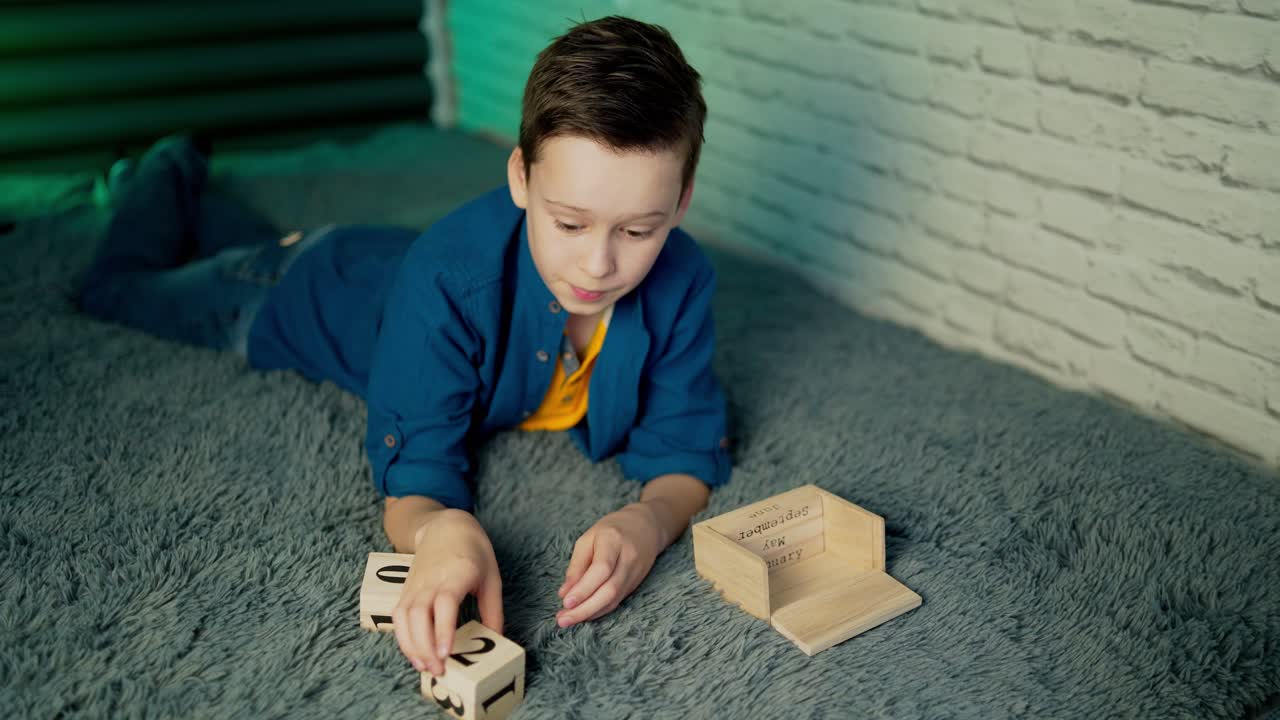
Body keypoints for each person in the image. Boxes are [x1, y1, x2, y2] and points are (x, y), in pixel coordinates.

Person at [77, 15, 730, 677]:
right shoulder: (446, 282)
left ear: (680, 204)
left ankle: (190, 190)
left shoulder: (683, 279)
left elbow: (686, 449)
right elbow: (415, 475)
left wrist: (650, 521)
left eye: (638, 231)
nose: (598, 265)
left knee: (244, 241)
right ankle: (161, 167)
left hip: (377, 259)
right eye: (568, 223)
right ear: (520, 179)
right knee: (117, 289)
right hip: (301, 291)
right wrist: (438, 528)